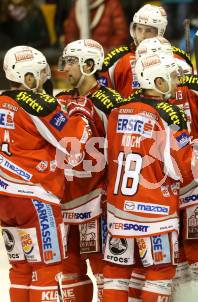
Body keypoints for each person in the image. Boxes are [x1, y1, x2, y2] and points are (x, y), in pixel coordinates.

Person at [103, 53, 198, 302]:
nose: (176, 82)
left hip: (119, 208)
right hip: (155, 211)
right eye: (172, 77)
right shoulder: (168, 114)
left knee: (116, 271)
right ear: (158, 81)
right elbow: (182, 170)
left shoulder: (118, 111)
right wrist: (197, 149)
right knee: (160, 270)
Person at [0, 45, 95, 302]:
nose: (46, 78)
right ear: (27, 77)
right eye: (41, 73)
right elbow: (72, 147)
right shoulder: (37, 103)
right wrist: (82, 117)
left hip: (5, 199)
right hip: (36, 198)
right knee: (48, 268)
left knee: (20, 268)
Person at [56, 38, 124, 301]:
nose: (66, 68)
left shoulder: (110, 103)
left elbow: (122, 149)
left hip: (99, 201)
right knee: (69, 269)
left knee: (104, 269)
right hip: (68, 200)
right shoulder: (62, 101)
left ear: (89, 64)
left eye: (71, 61)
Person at [99, 3, 191, 98]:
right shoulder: (117, 59)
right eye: (139, 29)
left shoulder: (178, 58)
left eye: (148, 31)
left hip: (168, 112)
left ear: (161, 31)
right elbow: (103, 95)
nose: (142, 36)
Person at [64, 0, 128, 51]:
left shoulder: (111, 4)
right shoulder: (78, 5)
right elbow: (70, 33)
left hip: (105, 57)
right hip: (82, 56)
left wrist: (107, 51)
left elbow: (121, 33)